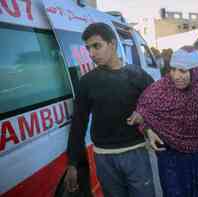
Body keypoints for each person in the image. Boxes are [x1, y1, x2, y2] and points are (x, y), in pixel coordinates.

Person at [64, 23, 155, 197]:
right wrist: (73, 163)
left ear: (112, 44)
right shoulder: (87, 82)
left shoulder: (137, 75)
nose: (91, 54)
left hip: (136, 154)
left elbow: (158, 105)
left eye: (96, 46)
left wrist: (144, 116)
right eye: (88, 48)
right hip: (104, 158)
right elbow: (78, 123)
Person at [129, 46, 198, 197]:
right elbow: (143, 111)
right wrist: (147, 128)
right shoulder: (160, 89)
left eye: (183, 71)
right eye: (173, 69)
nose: (176, 76)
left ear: (196, 71)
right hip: (171, 160)